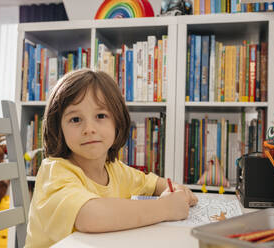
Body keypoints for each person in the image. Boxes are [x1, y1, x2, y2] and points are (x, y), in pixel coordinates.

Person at [25, 68, 198, 247]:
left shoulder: (115, 169)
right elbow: (90, 216)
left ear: (117, 122)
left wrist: (177, 190)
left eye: (101, 116)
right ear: (58, 128)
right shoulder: (54, 172)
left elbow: (153, 184)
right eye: (76, 119)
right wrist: (166, 208)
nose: (89, 129)